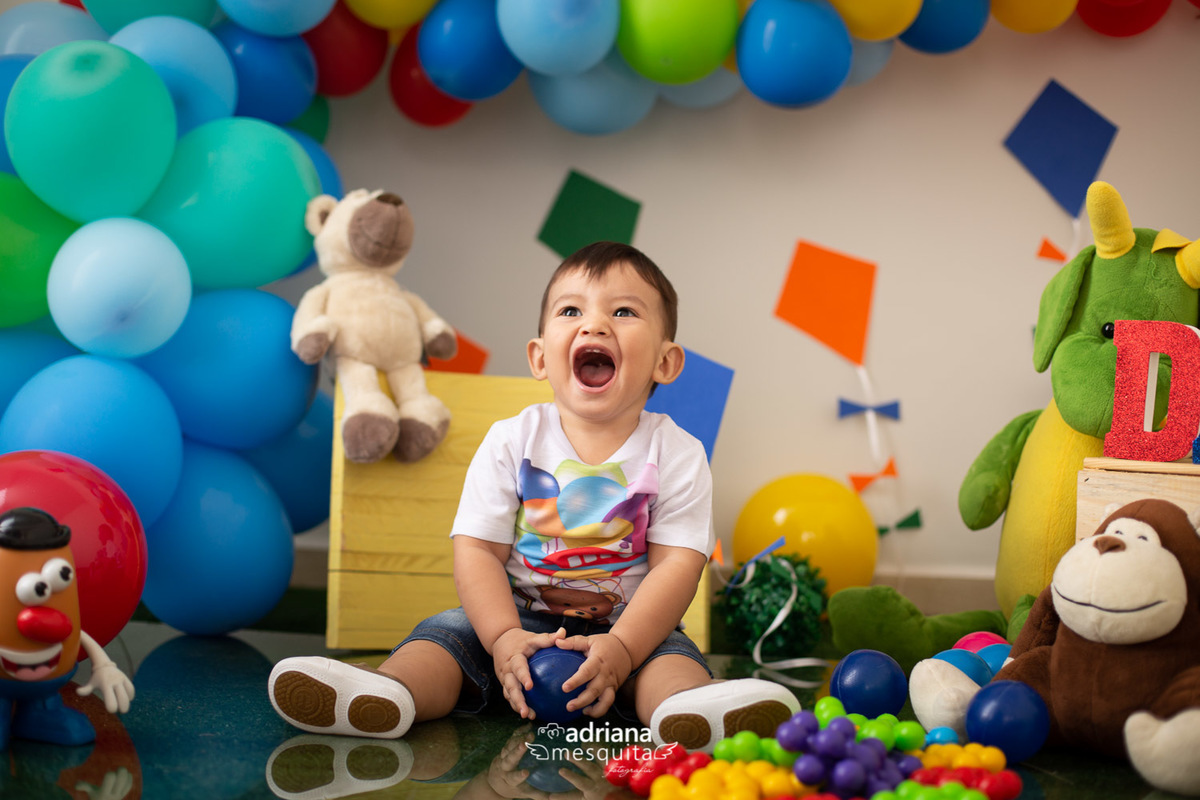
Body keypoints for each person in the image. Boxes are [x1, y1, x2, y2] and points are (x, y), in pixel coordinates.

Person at [268, 241, 798, 751]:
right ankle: (389, 692)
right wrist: (501, 638)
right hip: (517, 621)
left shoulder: (678, 452)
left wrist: (622, 648)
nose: (594, 324)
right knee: (443, 637)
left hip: (630, 627)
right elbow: (478, 549)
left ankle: (688, 710)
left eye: (623, 312)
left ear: (666, 362)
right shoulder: (512, 439)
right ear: (540, 357)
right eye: (571, 310)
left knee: (671, 660)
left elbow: (677, 566)